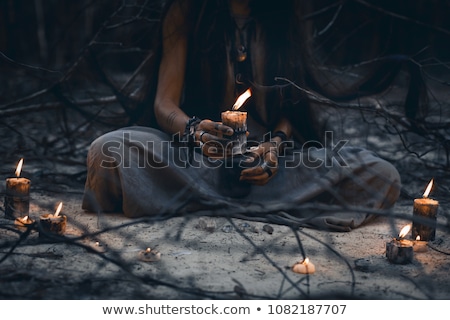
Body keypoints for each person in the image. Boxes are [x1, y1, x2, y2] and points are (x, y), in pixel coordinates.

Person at [81, 0, 401, 231]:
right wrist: (194, 130)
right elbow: (164, 104)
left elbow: (290, 109)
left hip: (267, 171)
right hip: (193, 161)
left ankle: (193, 201)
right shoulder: (187, 10)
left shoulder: (282, 15)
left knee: (382, 174)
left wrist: (274, 146)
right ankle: (250, 204)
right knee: (108, 151)